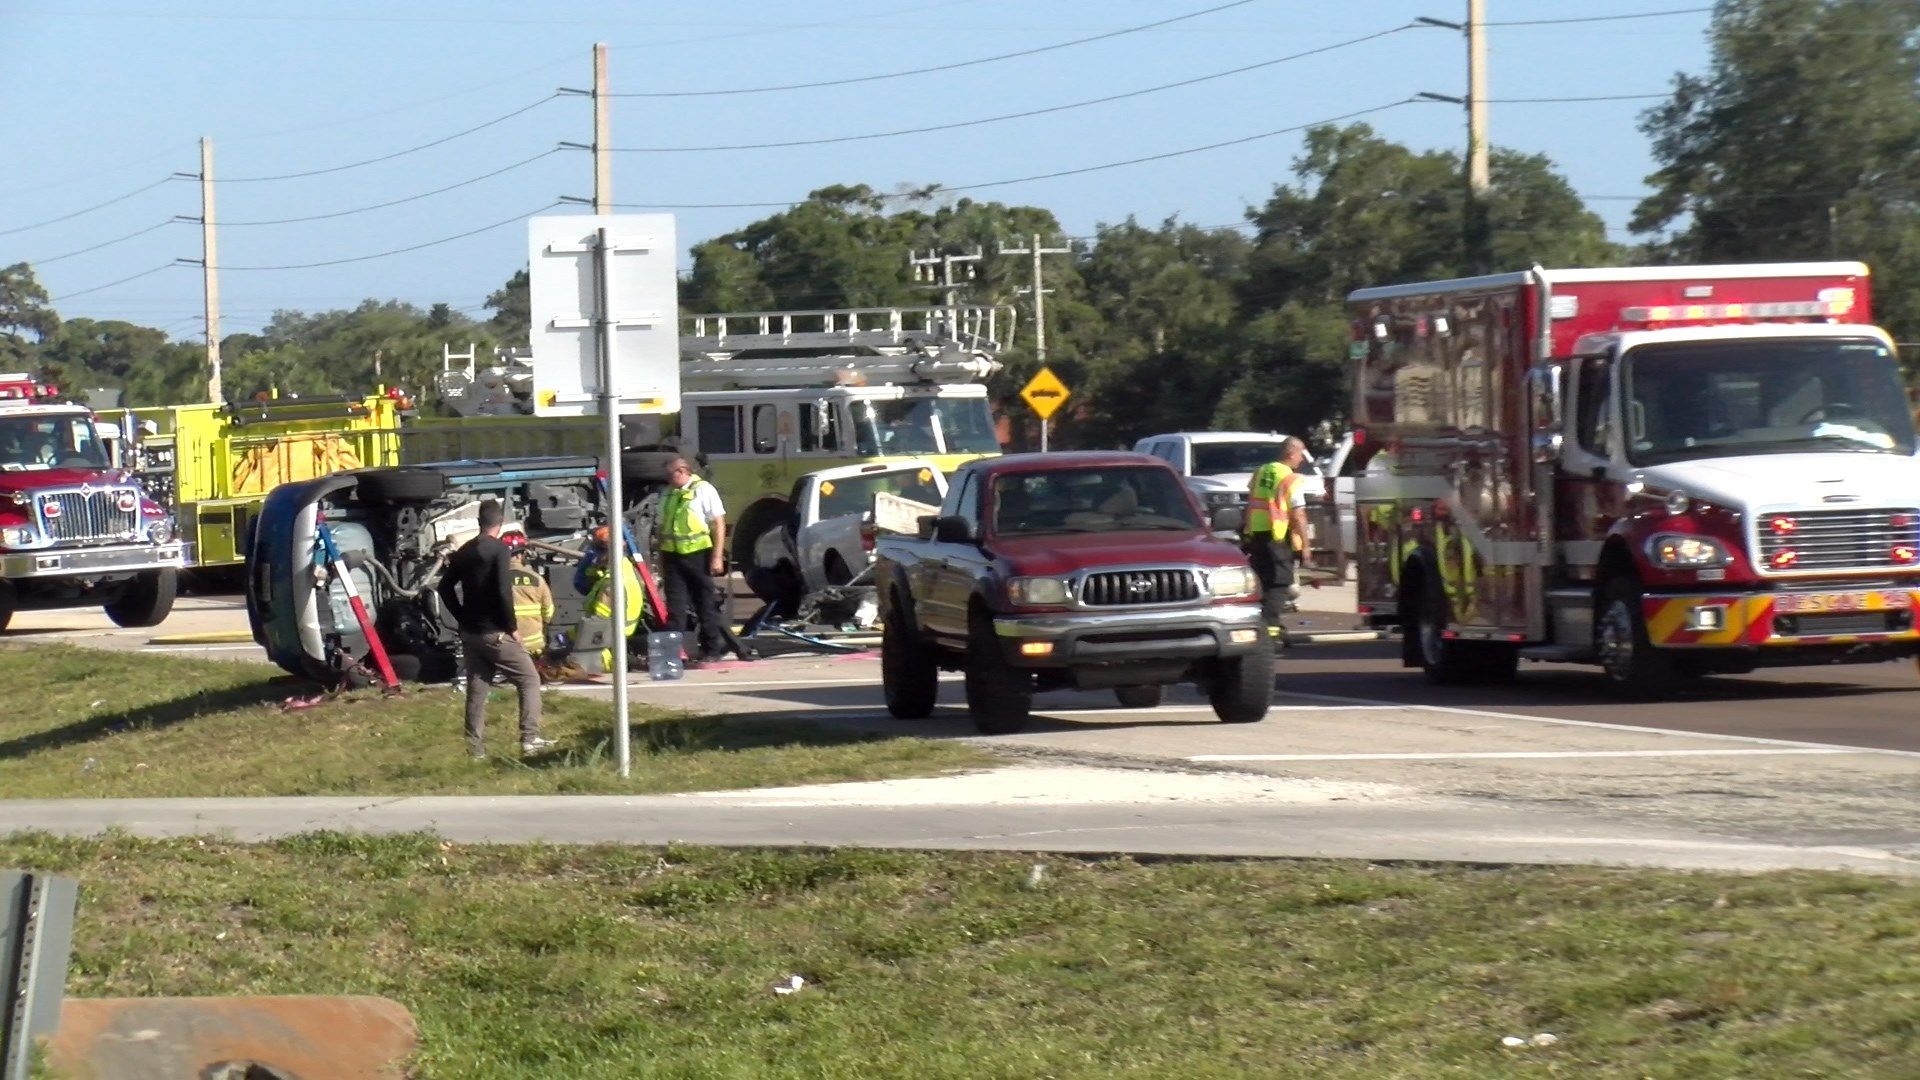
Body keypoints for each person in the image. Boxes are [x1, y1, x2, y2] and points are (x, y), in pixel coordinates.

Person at [436, 499, 553, 758]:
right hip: (495, 632)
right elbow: (502, 590)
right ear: (499, 524)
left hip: (471, 633)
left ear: (479, 522)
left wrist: (462, 617)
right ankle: (530, 738)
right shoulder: (499, 550)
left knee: (478, 687)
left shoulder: (464, 551)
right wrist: (512, 627)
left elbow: (444, 588)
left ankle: (475, 749)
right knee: (529, 679)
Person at [659, 457, 755, 665]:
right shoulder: (668, 493)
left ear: (683, 471)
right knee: (676, 608)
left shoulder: (703, 490)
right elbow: (662, 528)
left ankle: (711, 649)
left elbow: (718, 523)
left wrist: (717, 557)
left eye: (670, 475)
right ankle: (672, 655)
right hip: (672, 557)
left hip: (698, 555)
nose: (667, 479)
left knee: (705, 605)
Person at [1244, 437, 1312, 629]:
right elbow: (1299, 515)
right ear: (1291, 453)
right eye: (1301, 454)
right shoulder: (1290, 478)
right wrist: (1306, 546)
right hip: (1277, 538)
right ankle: (1270, 631)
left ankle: (1263, 627)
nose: (1302, 459)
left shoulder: (1261, 471)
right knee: (1280, 585)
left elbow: (1252, 500)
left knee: (1264, 583)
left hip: (1256, 535)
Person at [577, 525, 642, 675]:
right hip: (619, 629)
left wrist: (568, 637)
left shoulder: (611, 583)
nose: (594, 556)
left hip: (607, 637)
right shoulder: (625, 569)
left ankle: (607, 662)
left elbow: (597, 623)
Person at [504, 532, 556, 675]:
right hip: (534, 645)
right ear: (521, 555)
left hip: (506, 645)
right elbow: (549, 611)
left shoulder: (494, 578)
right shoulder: (536, 579)